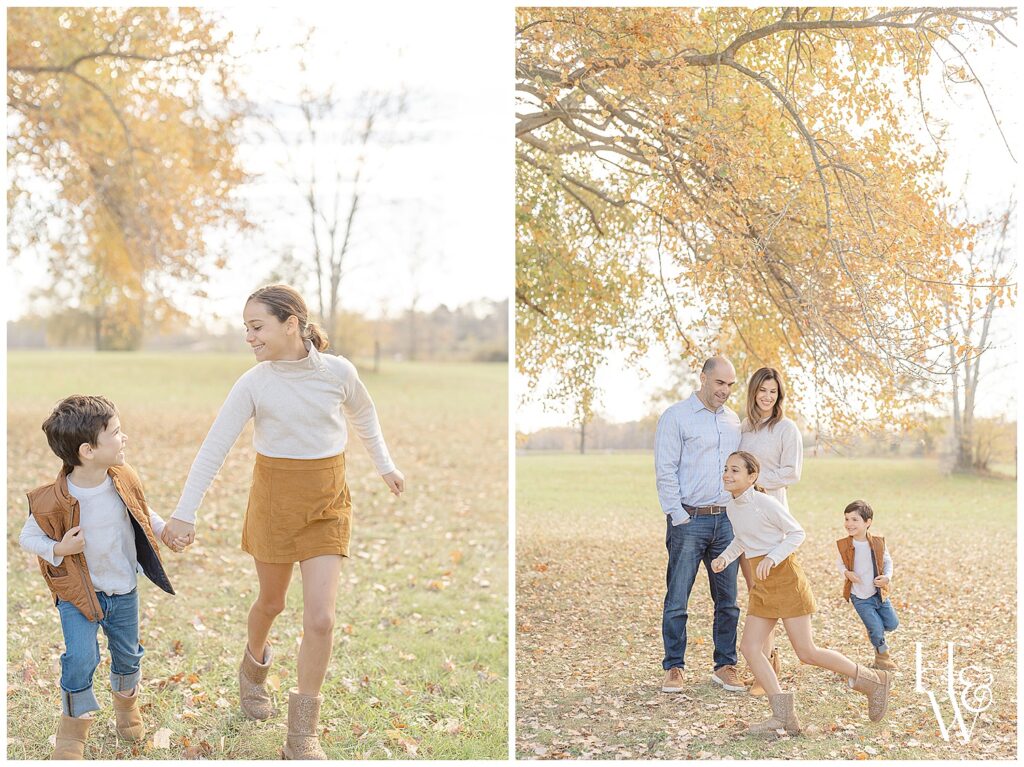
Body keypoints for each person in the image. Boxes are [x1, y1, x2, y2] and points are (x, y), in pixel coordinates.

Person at [162, 284, 405, 759]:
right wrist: (184, 512)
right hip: (273, 501)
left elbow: (365, 415)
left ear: (291, 323)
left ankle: (302, 734)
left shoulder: (339, 372)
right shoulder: (254, 382)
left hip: (326, 502)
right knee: (271, 604)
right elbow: (215, 447)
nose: (249, 338)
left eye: (257, 327)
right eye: (245, 329)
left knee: (321, 617)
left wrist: (385, 465)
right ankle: (253, 667)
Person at [19, 395, 181, 759]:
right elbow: (26, 538)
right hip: (79, 595)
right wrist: (59, 549)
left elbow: (142, 510)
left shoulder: (122, 479)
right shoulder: (52, 499)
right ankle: (73, 727)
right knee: (80, 657)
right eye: (117, 433)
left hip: (122, 589)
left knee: (127, 656)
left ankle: (126, 707)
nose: (125, 439)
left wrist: (164, 529)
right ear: (88, 451)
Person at [711, 452, 892, 736]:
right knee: (749, 648)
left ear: (752, 476)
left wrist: (772, 557)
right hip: (762, 582)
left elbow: (797, 533)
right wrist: (725, 557)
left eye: (735, 470)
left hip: (785, 577)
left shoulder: (765, 503)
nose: (727, 474)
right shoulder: (733, 506)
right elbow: (742, 539)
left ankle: (872, 680)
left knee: (806, 652)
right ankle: (783, 716)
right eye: (725, 469)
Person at [654, 356, 745, 694]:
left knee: (728, 600)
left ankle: (725, 666)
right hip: (688, 520)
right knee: (678, 598)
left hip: (726, 522)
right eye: (720, 383)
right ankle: (674, 667)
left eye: (731, 385)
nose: (725, 391)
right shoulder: (676, 417)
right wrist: (679, 516)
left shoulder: (733, 421)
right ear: (704, 378)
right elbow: (665, 470)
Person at [737, 367, 803, 696]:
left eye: (773, 392)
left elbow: (792, 472)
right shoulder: (744, 429)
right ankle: (763, 664)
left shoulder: (785, 428)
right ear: (753, 392)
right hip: (747, 522)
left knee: (770, 595)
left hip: (773, 521)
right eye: (762, 390)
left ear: (779, 396)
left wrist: (758, 482)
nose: (767, 396)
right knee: (757, 595)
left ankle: (768, 666)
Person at [836, 500, 899, 670]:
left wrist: (887, 577)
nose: (849, 524)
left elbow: (888, 562)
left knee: (892, 624)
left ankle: (874, 629)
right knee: (877, 629)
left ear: (868, 522)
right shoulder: (844, 545)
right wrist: (847, 573)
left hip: (879, 594)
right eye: (847, 519)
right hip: (859, 596)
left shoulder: (878, 543)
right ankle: (882, 657)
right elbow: (840, 564)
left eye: (855, 519)